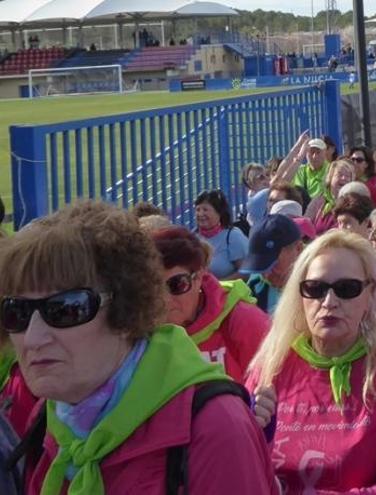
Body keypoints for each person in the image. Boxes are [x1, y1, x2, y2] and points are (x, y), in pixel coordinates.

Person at [0, 202, 277, 494]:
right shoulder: (50, 418)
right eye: (16, 312)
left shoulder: (214, 427)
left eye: (65, 309)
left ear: (126, 310)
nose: (32, 337)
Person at [247, 230, 376, 493]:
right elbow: (239, 473)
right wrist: (251, 434)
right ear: (300, 296)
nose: (329, 302)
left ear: (370, 296)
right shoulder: (272, 365)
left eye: (347, 289)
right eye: (315, 288)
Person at [152, 227, 271, 383]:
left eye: (177, 285)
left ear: (199, 276)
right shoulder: (141, 330)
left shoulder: (244, 321)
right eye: (154, 287)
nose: (165, 298)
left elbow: (276, 386)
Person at [242, 214, 305, 315]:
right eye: (260, 267)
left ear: (298, 249)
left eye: (273, 264)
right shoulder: (254, 288)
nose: (266, 274)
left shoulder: (321, 287)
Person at [194, 190, 248, 280]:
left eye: (205, 210)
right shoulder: (193, 238)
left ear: (219, 213)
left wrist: (218, 286)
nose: (200, 214)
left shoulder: (233, 236)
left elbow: (245, 272)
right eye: (197, 210)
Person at [303, 160, 355, 235]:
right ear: (330, 178)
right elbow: (305, 224)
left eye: (348, 176)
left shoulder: (353, 203)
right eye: (339, 174)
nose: (344, 178)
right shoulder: (319, 200)